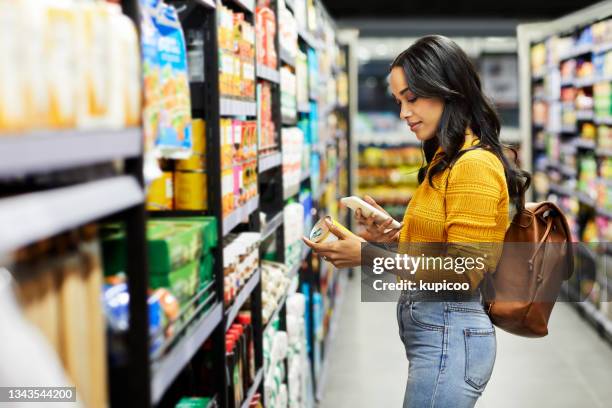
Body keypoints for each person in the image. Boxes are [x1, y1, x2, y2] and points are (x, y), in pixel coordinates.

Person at [303, 35, 530, 407]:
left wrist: (368, 255)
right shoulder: (447, 157)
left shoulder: (474, 165)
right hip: (439, 335)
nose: (404, 113)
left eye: (412, 98)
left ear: (448, 90)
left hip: (451, 336)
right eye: (398, 102)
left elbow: (464, 269)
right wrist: (394, 235)